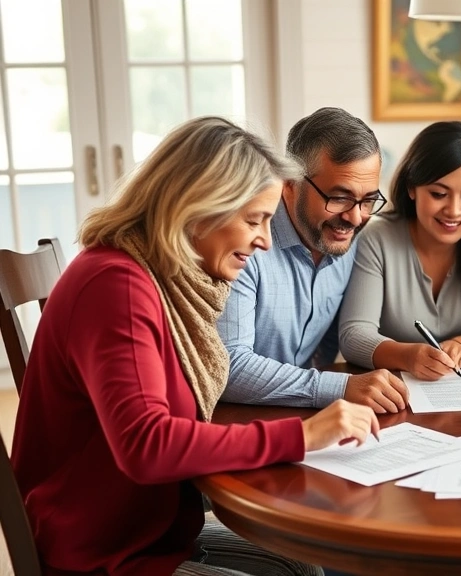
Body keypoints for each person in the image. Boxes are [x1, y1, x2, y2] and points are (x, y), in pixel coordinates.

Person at [11, 117, 380, 576]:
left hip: (156, 531)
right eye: (254, 220)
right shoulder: (116, 284)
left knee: (303, 565)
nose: (265, 240)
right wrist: (302, 436)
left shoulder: (164, 280)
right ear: (199, 208)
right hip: (103, 554)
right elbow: (147, 444)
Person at [217, 107, 409, 414]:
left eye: (368, 199)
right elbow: (229, 366)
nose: (355, 217)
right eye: (340, 197)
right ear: (290, 185)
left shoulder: (351, 240)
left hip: (307, 416)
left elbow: (332, 342)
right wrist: (338, 388)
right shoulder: (246, 242)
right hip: (236, 419)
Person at [337, 121, 461, 380]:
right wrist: (407, 356)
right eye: (439, 193)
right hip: (396, 395)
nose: (454, 210)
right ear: (412, 187)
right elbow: (353, 335)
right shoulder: (377, 237)